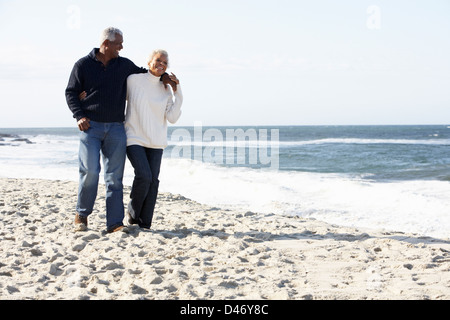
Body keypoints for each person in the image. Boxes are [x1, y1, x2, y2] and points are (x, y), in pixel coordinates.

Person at [65, 27, 173, 233]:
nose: (122, 47)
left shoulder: (124, 65)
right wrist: (79, 115)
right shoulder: (83, 65)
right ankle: (82, 214)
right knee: (90, 172)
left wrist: (164, 76)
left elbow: (146, 72)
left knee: (114, 178)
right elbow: (71, 92)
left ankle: (114, 223)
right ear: (106, 44)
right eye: (119, 44)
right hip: (91, 127)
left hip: (116, 127)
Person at [125, 49, 183, 229]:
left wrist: (177, 91)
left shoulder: (166, 89)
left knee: (153, 181)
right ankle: (133, 216)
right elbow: (117, 96)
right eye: (158, 60)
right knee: (144, 176)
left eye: (165, 63)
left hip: (156, 142)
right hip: (134, 137)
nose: (162, 64)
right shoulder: (134, 80)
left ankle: (145, 223)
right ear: (149, 61)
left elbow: (172, 118)